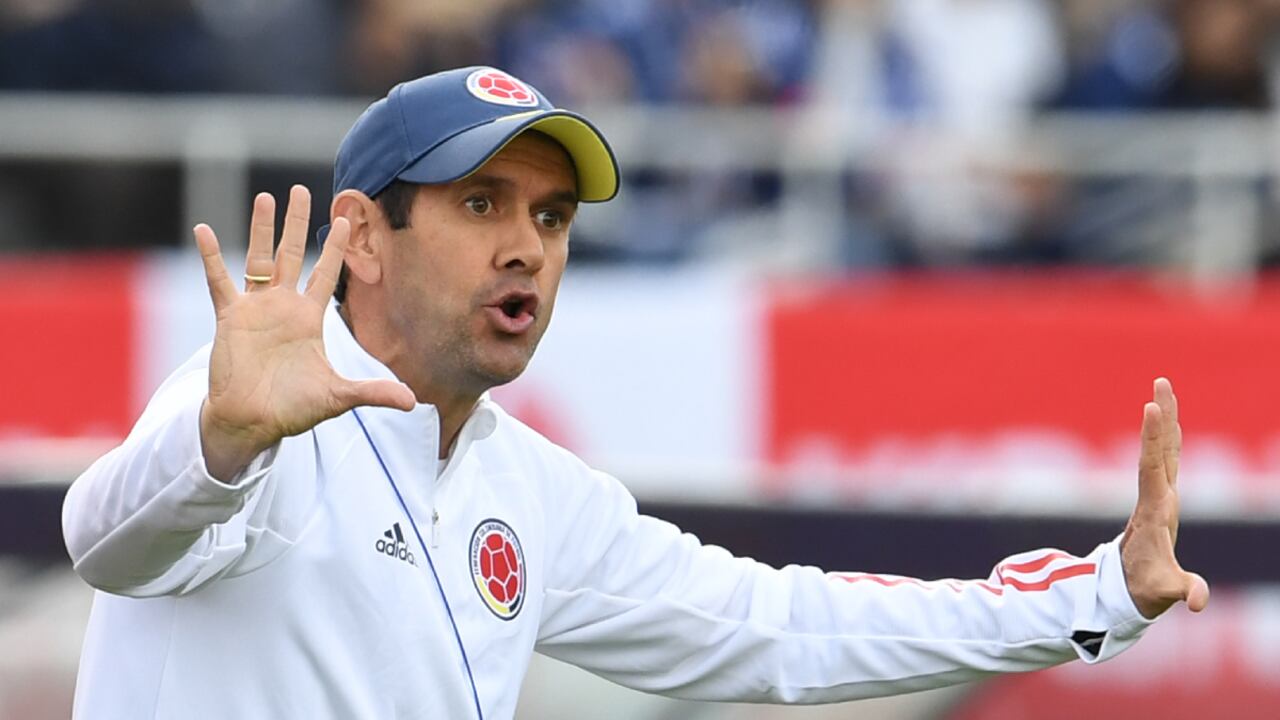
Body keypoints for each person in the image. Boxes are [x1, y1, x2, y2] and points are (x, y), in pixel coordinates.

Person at [62, 66, 1208, 719]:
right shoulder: (247, 419)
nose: (527, 248)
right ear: (360, 236)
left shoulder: (532, 488)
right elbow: (103, 538)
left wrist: (1098, 596)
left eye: (551, 218)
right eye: (482, 204)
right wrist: (217, 442)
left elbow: (779, 627)